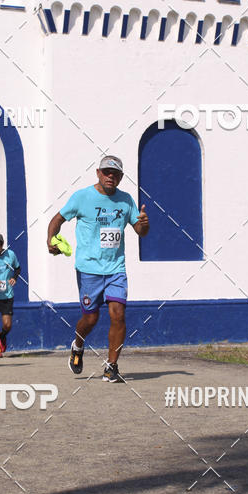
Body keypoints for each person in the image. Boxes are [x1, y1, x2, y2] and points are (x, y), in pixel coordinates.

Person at [47, 155, 149, 382]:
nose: (110, 177)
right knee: (90, 319)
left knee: (118, 315)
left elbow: (140, 231)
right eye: (106, 172)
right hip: (88, 269)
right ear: (98, 173)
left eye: (115, 174)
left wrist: (144, 225)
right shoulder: (82, 197)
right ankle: (78, 344)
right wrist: (51, 239)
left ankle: (112, 366)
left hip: (116, 269)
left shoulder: (126, 201)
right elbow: (57, 219)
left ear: (121, 177)